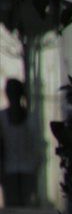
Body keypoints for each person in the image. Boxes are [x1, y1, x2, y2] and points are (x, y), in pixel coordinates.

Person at [0, 78, 39, 206]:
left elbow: (35, 147)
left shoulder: (31, 119)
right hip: (10, 172)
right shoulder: (2, 118)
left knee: (23, 209)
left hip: (25, 171)